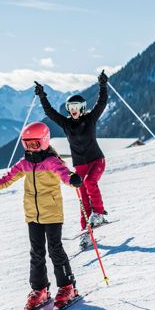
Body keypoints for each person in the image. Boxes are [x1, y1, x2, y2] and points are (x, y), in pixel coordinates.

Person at [0, 121, 82, 310]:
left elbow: (64, 174)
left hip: (52, 214)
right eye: (27, 144)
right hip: (32, 215)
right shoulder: (24, 164)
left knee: (55, 250)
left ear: (44, 142)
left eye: (35, 144)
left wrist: (72, 179)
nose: (31, 148)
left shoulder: (51, 162)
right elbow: (7, 179)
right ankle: (40, 289)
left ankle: (67, 286)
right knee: (36, 252)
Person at [34, 70, 109, 249]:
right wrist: (42, 96)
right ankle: (87, 232)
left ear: (82, 108)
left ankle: (98, 212)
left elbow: (101, 103)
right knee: (83, 197)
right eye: (71, 108)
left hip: (96, 161)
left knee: (90, 182)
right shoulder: (67, 124)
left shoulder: (90, 118)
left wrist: (103, 85)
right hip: (80, 165)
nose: (74, 111)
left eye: (77, 107)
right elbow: (51, 113)